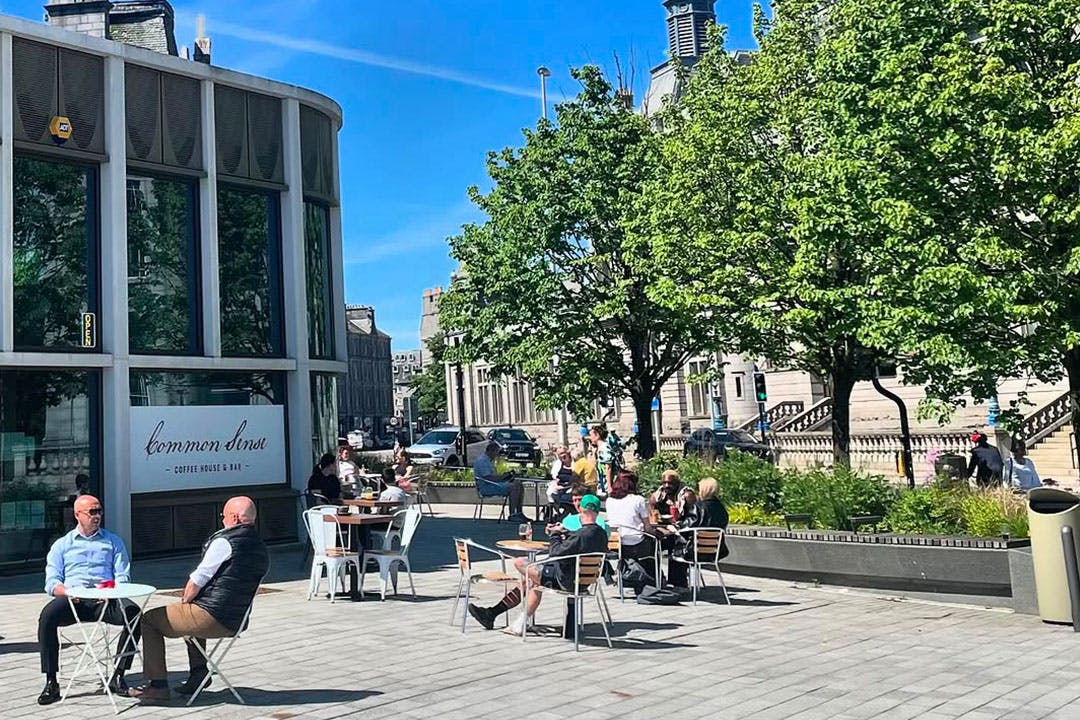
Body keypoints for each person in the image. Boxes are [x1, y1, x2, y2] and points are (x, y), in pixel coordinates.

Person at [129, 497, 269, 703]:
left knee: (149, 620)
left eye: (223, 516)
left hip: (212, 616)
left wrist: (185, 599)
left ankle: (158, 686)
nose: (222, 520)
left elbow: (199, 578)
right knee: (190, 615)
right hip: (236, 620)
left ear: (234, 517)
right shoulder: (260, 546)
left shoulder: (225, 541)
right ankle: (199, 674)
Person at [37, 495, 140, 704]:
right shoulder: (62, 545)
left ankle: (119, 674)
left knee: (134, 614)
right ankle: (51, 682)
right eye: (92, 512)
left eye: (99, 511)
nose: (97, 516)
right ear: (77, 515)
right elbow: (52, 582)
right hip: (74, 600)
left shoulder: (113, 541)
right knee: (47, 617)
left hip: (106, 599)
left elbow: (122, 577)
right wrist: (67, 592)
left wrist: (107, 590)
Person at [468, 494, 608, 634]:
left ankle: (514, 622)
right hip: (583, 581)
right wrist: (566, 533)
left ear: (581, 509)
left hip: (565, 580)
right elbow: (581, 541)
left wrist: (555, 535)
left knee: (521, 564)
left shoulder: (580, 535)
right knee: (530, 579)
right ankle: (494, 615)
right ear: (597, 511)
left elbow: (555, 553)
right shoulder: (601, 534)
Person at [649, 471, 697, 590]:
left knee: (678, 545)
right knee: (649, 545)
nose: (666, 486)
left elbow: (694, 518)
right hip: (663, 531)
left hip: (683, 534)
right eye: (664, 482)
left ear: (677, 482)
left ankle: (679, 583)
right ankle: (656, 579)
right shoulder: (657, 496)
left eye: (670, 483)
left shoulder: (687, 495)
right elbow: (652, 516)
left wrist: (678, 526)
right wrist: (661, 527)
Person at [604, 471, 654, 561]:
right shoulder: (638, 500)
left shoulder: (609, 500)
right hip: (635, 544)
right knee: (655, 544)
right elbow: (647, 527)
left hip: (615, 544)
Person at [474, 441, 528, 522]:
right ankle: (512, 514)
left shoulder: (489, 460)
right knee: (513, 487)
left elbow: (493, 476)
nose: (498, 455)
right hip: (486, 487)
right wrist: (503, 477)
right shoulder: (482, 461)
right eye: (497, 452)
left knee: (518, 484)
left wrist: (505, 476)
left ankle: (519, 513)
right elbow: (488, 478)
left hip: (493, 484)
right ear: (491, 451)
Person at [589, 425, 623, 496]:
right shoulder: (599, 448)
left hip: (611, 482)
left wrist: (609, 486)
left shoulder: (604, 449)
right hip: (603, 481)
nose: (590, 437)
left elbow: (608, 468)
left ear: (597, 435)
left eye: (591, 435)